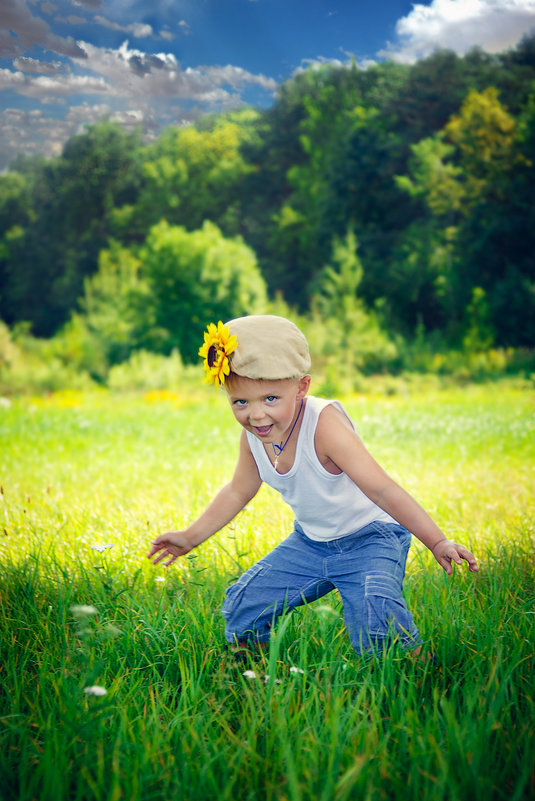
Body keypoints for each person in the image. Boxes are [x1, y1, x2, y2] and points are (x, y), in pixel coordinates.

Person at [147, 315, 478, 657]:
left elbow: (383, 490)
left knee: (378, 629)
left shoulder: (324, 426)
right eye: (240, 402)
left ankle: (424, 683)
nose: (256, 415)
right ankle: (253, 678)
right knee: (242, 606)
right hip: (312, 544)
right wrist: (189, 537)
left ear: (301, 387)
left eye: (271, 399)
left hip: (371, 539)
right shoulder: (253, 437)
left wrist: (437, 541)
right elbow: (238, 490)